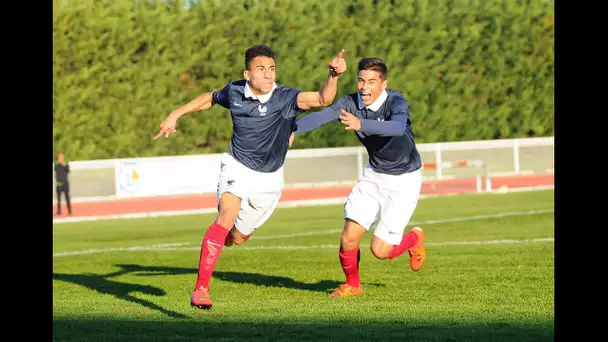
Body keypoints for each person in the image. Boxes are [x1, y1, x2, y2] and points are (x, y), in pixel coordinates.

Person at [153, 45, 347, 309]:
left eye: (272, 69)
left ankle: (226, 239)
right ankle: (201, 288)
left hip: (269, 179)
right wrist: (176, 113)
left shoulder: (286, 97)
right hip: (237, 166)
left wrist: (333, 76)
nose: (268, 75)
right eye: (261, 69)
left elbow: (323, 99)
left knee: (238, 237)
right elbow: (209, 98)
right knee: (226, 214)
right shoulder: (234, 92)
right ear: (247, 74)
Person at [292, 57, 425, 298]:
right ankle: (353, 285)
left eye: (371, 82)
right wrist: (292, 130)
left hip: (404, 180)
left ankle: (414, 239)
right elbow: (323, 116)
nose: (364, 87)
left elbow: (396, 128)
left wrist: (360, 123)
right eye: (361, 80)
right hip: (375, 175)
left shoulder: (395, 101)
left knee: (380, 250)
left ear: (383, 85)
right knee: (348, 237)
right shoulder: (351, 103)